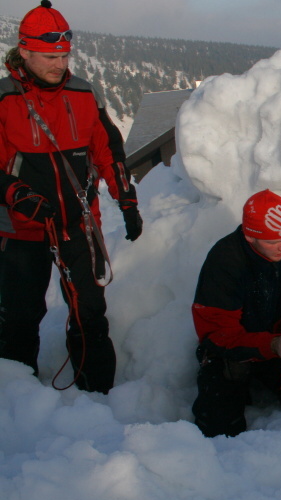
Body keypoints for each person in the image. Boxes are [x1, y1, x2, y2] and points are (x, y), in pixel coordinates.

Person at [0, 1, 143, 394]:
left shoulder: (83, 94)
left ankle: (96, 393)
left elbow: (108, 153)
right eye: (49, 56)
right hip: (20, 228)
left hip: (77, 223)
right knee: (19, 316)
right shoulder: (4, 100)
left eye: (64, 56)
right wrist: (16, 193)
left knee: (89, 313)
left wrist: (126, 201)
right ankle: (17, 395)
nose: (60, 65)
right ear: (24, 51)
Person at [191, 189, 281, 437]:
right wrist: (271, 344)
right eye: (273, 242)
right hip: (230, 353)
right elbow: (218, 333)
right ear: (251, 237)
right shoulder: (224, 261)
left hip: (276, 342)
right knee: (218, 430)